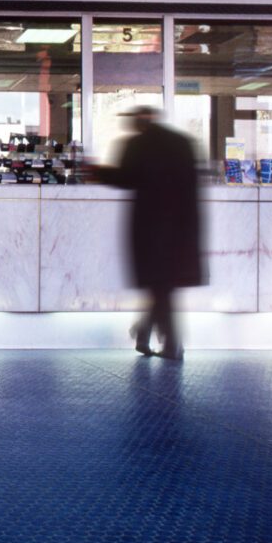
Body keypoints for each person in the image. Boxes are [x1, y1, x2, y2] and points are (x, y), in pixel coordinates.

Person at [87, 106, 204, 361]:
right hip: (182, 227)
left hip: (150, 226)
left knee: (159, 285)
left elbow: (126, 178)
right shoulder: (184, 143)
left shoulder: (138, 144)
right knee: (163, 286)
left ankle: (169, 343)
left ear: (139, 122)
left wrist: (97, 172)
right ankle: (147, 333)